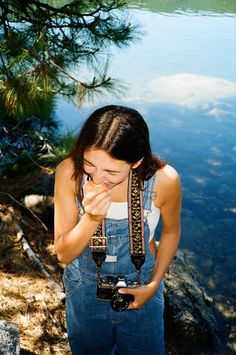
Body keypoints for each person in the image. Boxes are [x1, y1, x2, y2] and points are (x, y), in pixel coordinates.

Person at [54, 105, 182, 355]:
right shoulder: (69, 172)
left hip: (141, 290)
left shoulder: (164, 181)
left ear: (136, 161)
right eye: (89, 163)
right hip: (84, 293)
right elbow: (64, 255)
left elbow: (171, 232)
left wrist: (153, 284)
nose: (98, 177)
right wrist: (91, 217)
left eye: (111, 171)